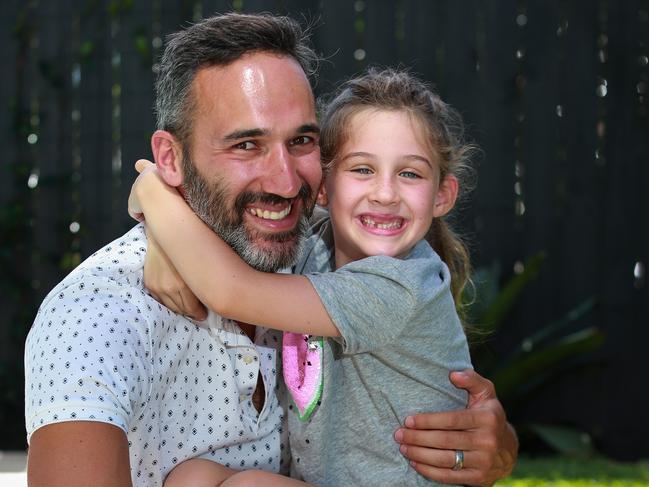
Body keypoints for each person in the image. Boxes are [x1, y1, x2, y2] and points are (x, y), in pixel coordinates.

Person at [24, 12, 517, 487]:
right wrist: (154, 200)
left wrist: (496, 443)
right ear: (170, 158)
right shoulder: (97, 316)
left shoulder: (318, 250)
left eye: (301, 140)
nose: (285, 182)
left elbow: (231, 289)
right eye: (246, 145)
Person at [129, 67, 476, 486]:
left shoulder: (400, 286)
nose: (385, 193)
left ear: (442, 195)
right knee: (193, 477)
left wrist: (151, 191)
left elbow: (230, 290)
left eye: (410, 174)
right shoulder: (318, 237)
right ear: (323, 187)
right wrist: (161, 244)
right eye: (362, 170)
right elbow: (220, 220)